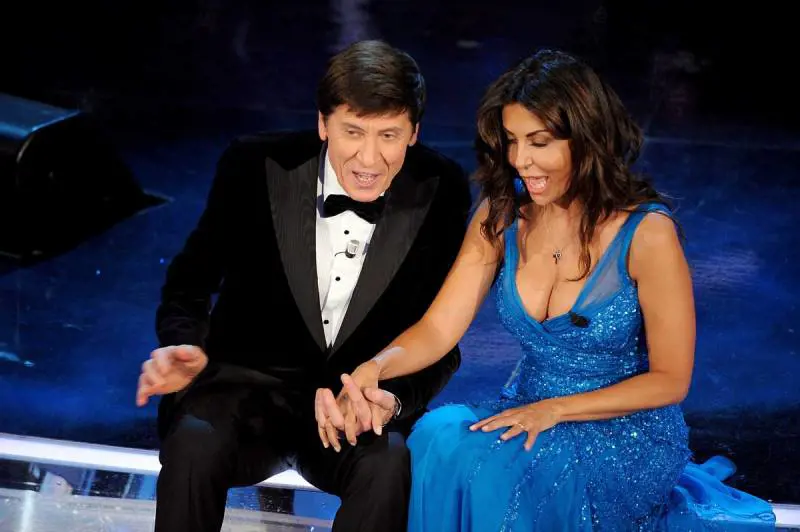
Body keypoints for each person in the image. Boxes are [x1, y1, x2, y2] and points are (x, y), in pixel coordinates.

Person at [319, 49, 777, 530]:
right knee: (435, 435)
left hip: (621, 434)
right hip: (528, 411)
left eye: (539, 142)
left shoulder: (647, 235)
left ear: (586, 138)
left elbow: (670, 380)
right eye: (513, 141)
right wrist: (376, 367)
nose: (520, 160)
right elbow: (438, 328)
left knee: (501, 475)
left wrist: (556, 410)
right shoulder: (501, 216)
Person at [135, 39, 472, 532]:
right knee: (193, 441)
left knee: (388, 466)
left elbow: (440, 337)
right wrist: (183, 343)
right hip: (243, 393)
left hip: (354, 409)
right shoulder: (254, 164)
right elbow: (190, 281)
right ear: (323, 124)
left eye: (389, 135)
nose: (369, 158)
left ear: (414, 133)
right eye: (353, 132)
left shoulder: (440, 188)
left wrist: (392, 399)